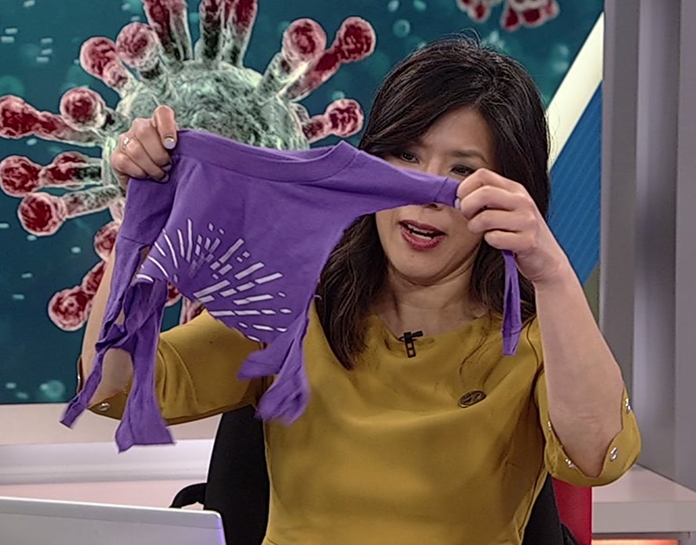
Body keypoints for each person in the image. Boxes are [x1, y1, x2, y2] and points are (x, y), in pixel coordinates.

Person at [77, 36, 640, 544]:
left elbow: (597, 458)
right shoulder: (292, 301)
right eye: (406, 157)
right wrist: (141, 228)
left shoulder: (536, 334)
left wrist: (551, 271)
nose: (424, 191)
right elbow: (113, 384)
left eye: (462, 171)